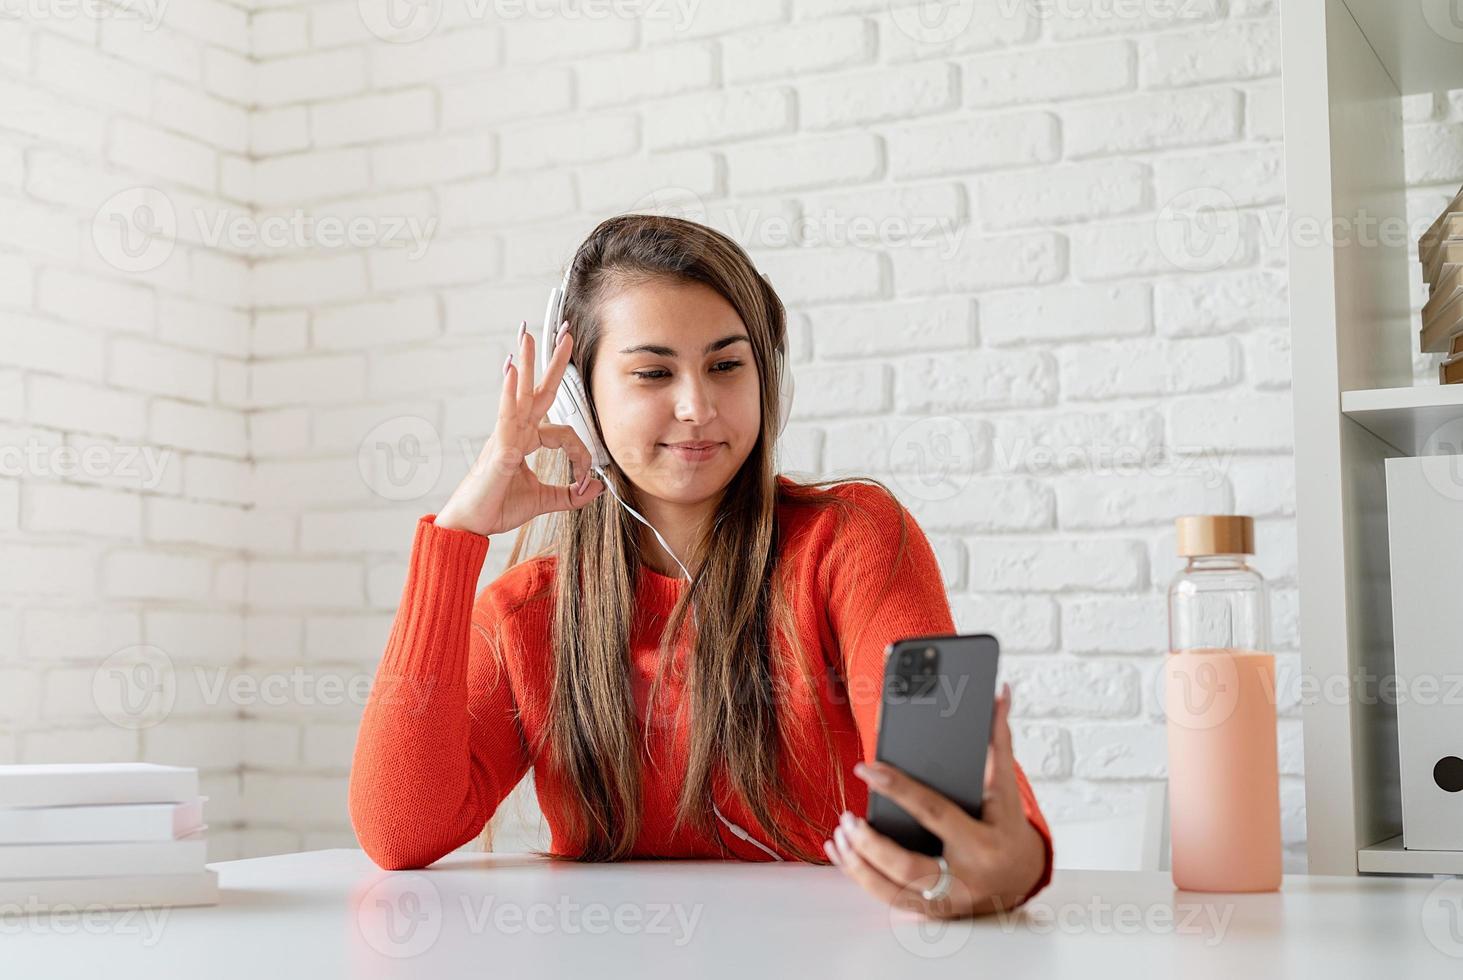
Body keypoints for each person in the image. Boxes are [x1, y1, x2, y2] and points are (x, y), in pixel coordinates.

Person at [348, 214, 1054, 919]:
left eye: (725, 365)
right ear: (581, 403)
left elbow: (960, 811)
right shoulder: (525, 614)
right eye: (653, 372)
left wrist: (1002, 864)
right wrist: (456, 534)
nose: (698, 407)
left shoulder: (851, 540)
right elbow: (399, 832)